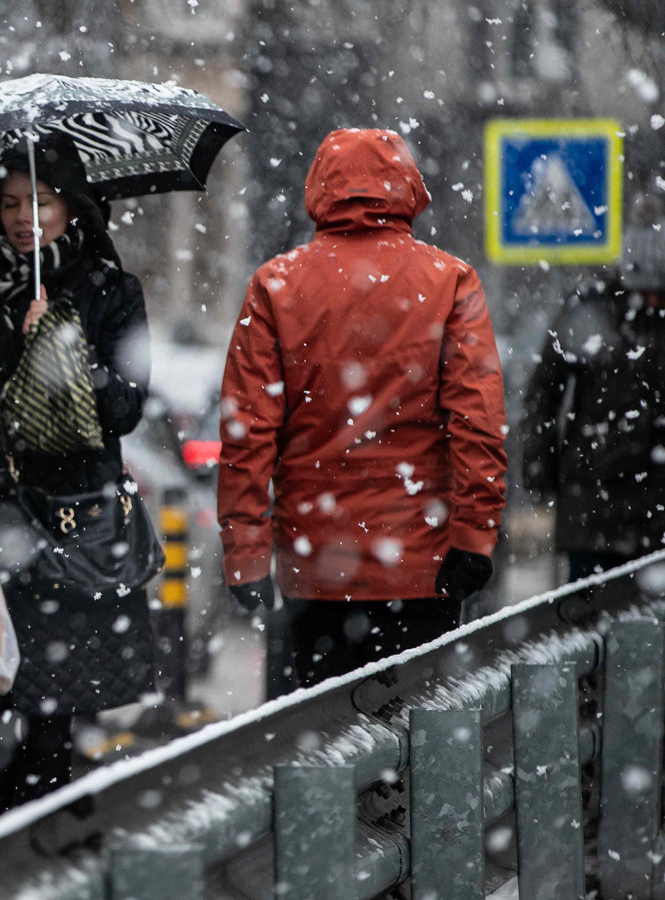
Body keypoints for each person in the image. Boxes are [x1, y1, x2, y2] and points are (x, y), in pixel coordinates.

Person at [218, 128, 507, 697]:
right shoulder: (450, 282)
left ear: (319, 189)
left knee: (323, 752)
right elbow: (477, 424)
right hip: (421, 565)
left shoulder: (275, 287)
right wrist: (473, 538)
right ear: (407, 187)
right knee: (418, 752)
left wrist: (247, 557)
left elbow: (246, 434)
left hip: (315, 568)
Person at [0, 141, 153, 816]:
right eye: (9, 204)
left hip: (69, 520)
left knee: (54, 702)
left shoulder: (111, 292)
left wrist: (64, 349)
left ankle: (39, 837)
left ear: (71, 207)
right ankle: (5, 824)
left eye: (40, 201)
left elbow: (124, 406)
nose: (23, 217)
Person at [523, 218, 665, 579]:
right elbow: (544, 392)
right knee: (592, 620)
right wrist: (539, 467)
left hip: (626, 507)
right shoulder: (590, 310)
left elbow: (544, 393)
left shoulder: (590, 309)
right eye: (645, 291)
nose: (651, 300)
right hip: (595, 506)